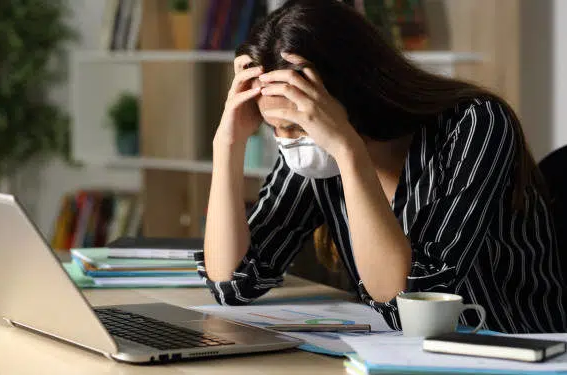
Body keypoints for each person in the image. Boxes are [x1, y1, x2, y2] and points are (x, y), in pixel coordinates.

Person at [197, 0, 566, 333]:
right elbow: (234, 282)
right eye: (278, 129)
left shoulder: (475, 124)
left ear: (354, 89)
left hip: (513, 349)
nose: (291, 142)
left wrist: (347, 149)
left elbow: (412, 300)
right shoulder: (311, 155)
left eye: (299, 125)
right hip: (405, 356)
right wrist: (227, 144)